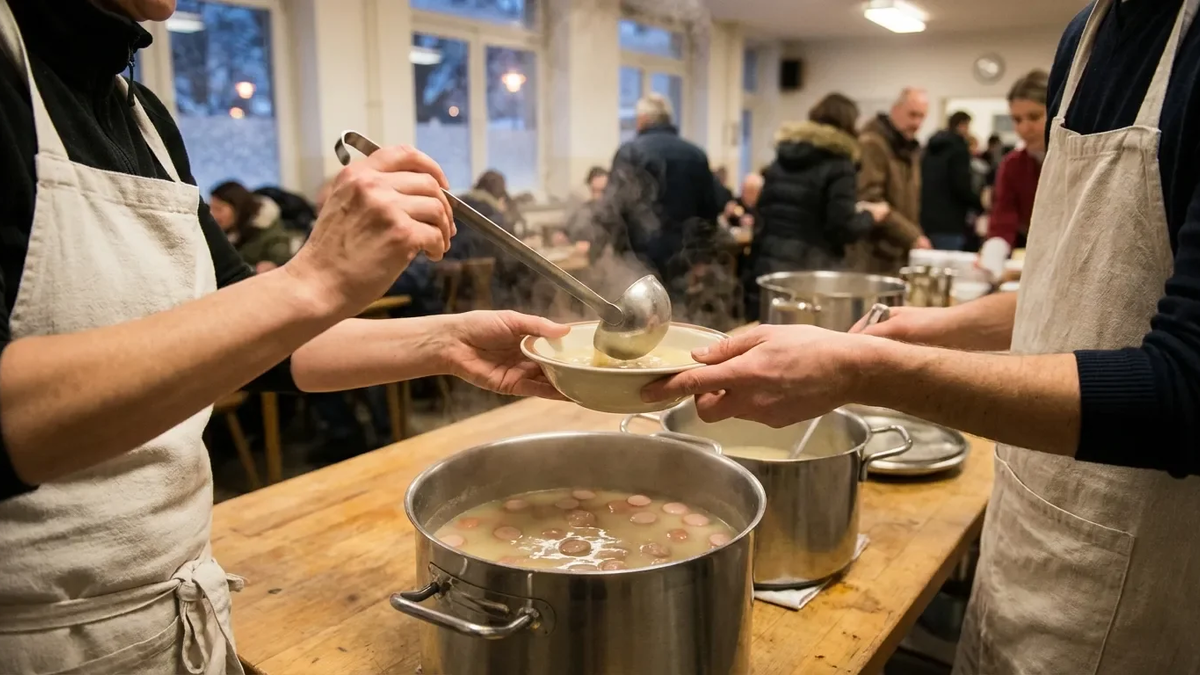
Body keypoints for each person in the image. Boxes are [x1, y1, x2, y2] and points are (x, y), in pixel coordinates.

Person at [0, 2, 568, 673]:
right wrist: (313, 279)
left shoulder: (142, 117)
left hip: (179, 612)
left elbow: (252, 339)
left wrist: (446, 341)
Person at [647, 0, 1200, 672]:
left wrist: (866, 368)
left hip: (1142, 562)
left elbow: (1184, 392)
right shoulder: (1081, 41)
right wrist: (936, 327)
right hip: (1027, 519)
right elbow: (1089, 288)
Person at [743, 93, 890, 320]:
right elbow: (841, 228)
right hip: (809, 270)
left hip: (768, 263)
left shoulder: (782, 158)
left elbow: (766, 211)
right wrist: (871, 216)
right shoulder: (840, 163)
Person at [598, 93, 720, 297]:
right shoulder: (696, 154)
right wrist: (702, 259)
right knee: (679, 316)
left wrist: (611, 253)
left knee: (641, 319)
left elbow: (612, 209)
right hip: (684, 259)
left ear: (643, 119)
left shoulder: (630, 152)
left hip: (638, 261)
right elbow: (709, 211)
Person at [853, 87, 932, 274]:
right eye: (912, 115)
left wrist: (916, 235)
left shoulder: (908, 148)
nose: (917, 123)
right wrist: (912, 236)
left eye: (922, 117)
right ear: (896, 110)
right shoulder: (873, 143)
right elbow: (871, 200)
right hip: (874, 254)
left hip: (898, 251)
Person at [988, 70, 1049, 248]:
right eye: (1017, 120)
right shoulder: (1012, 165)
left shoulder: (1077, 161)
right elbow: (1002, 220)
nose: (1024, 128)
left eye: (1034, 117)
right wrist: (995, 249)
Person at [920, 111, 984, 251]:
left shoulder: (930, 147)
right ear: (962, 125)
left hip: (926, 219)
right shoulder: (959, 149)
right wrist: (980, 205)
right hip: (951, 221)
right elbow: (961, 186)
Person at [210, 181, 294, 273]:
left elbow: (284, 261)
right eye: (211, 208)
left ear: (238, 209)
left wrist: (273, 265)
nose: (213, 215)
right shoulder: (220, 232)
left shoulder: (270, 232)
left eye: (219, 209)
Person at [564, 166, 608, 246]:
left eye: (603, 191)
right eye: (594, 191)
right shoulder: (585, 209)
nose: (598, 196)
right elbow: (573, 231)